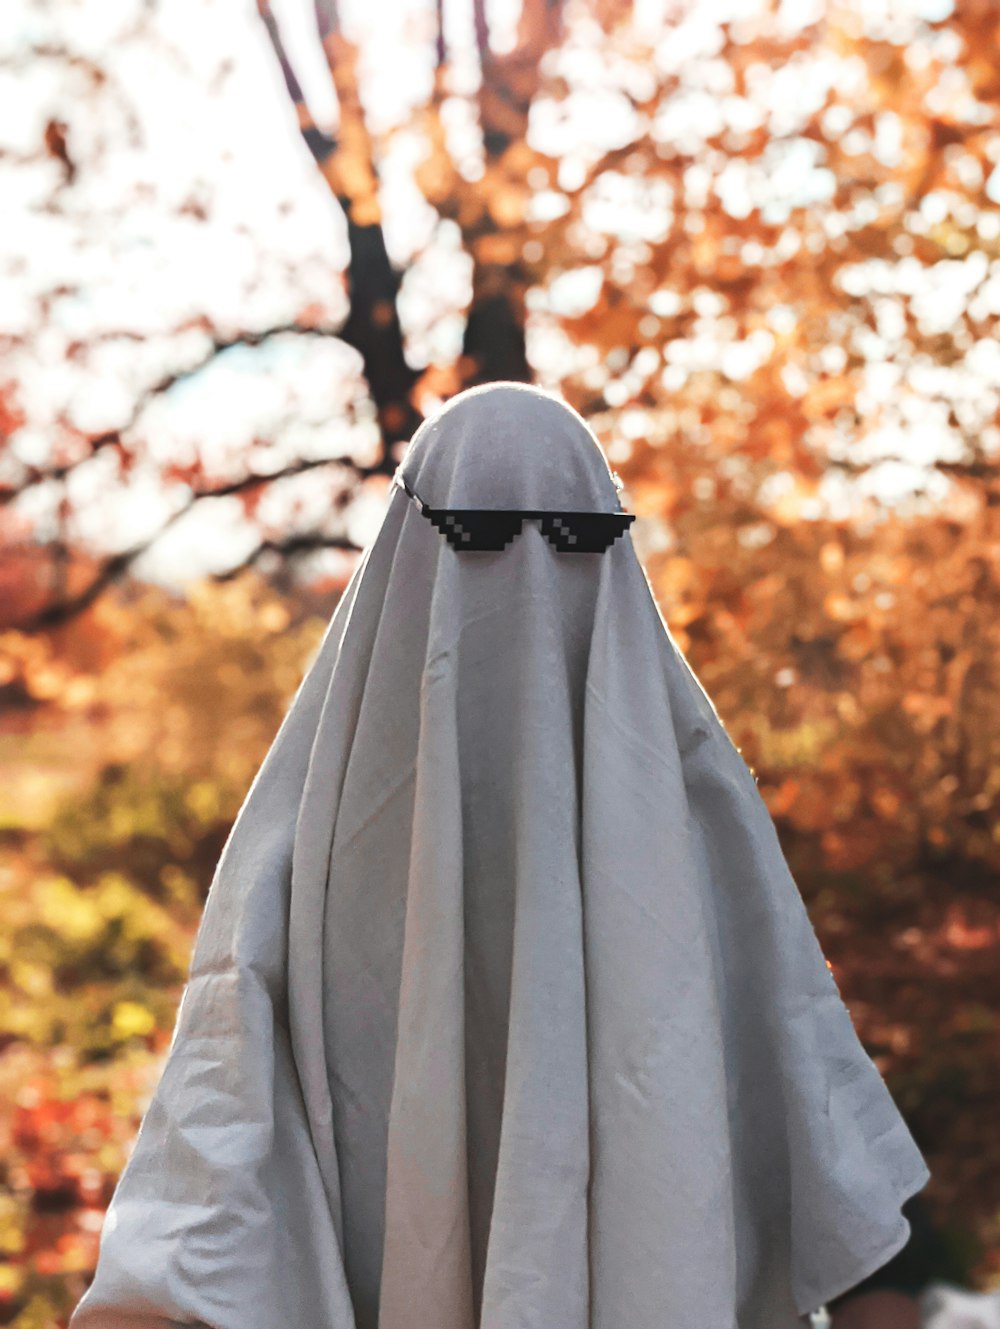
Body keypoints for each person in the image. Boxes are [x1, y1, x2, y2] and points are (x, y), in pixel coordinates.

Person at [69, 382, 930, 1329]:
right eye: (476, 535)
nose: (521, 579)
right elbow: (226, 1083)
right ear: (419, 537)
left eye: (574, 537)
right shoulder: (308, 821)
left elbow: (790, 1059)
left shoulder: (694, 794)